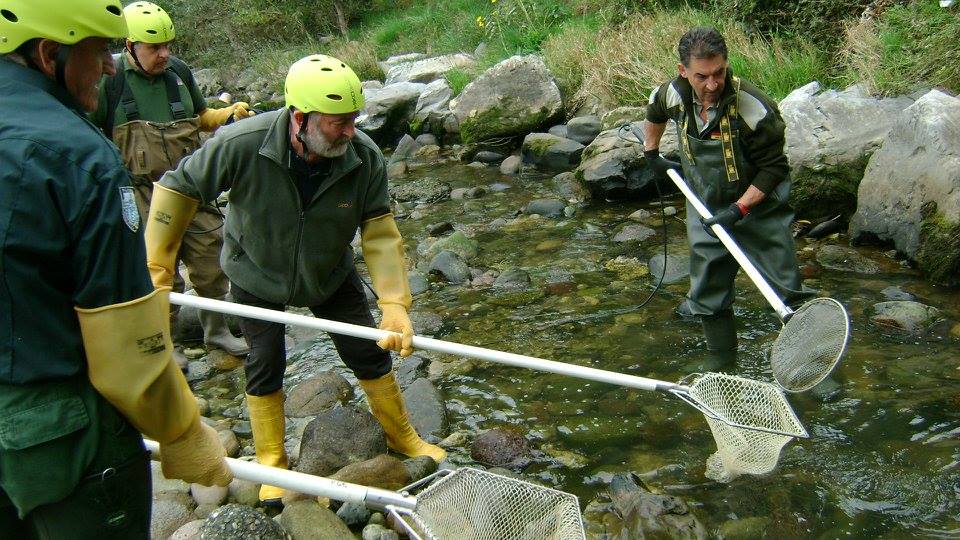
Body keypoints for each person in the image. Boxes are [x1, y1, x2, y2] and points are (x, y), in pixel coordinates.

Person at [145, 54, 446, 506]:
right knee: (264, 361)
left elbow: (380, 232)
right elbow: (178, 188)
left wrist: (395, 303)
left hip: (328, 270)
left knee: (366, 348)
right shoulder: (242, 143)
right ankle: (271, 461)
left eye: (353, 120)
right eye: (338, 123)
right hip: (256, 271)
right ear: (300, 118)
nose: (350, 132)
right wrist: (158, 270)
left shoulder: (363, 157)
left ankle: (402, 436)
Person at [0, 0, 231, 536]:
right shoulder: (81, 157)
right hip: (58, 431)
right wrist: (182, 432)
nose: (109, 66)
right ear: (48, 53)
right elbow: (124, 340)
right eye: (100, 50)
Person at [90, 1, 254, 365]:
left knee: (213, 260)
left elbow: (201, 118)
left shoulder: (178, 73)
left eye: (167, 46)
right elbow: (89, 133)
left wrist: (227, 115)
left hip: (191, 188)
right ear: (131, 45)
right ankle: (165, 342)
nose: (164, 54)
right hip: (140, 191)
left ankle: (216, 332)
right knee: (158, 272)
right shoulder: (109, 79)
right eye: (154, 48)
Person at [643, 27, 810, 369]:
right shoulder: (671, 94)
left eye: (718, 72)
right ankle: (722, 363)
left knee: (786, 290)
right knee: (707, 294)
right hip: (704, 208)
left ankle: (812, 365)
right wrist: (652, 153)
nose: (711, 84)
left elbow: (773, 169)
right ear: (683, 71)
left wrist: (740, 209)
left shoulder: (754, 107)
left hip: (759, 211)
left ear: (726, 64)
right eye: (701, 76)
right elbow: (654, 113)